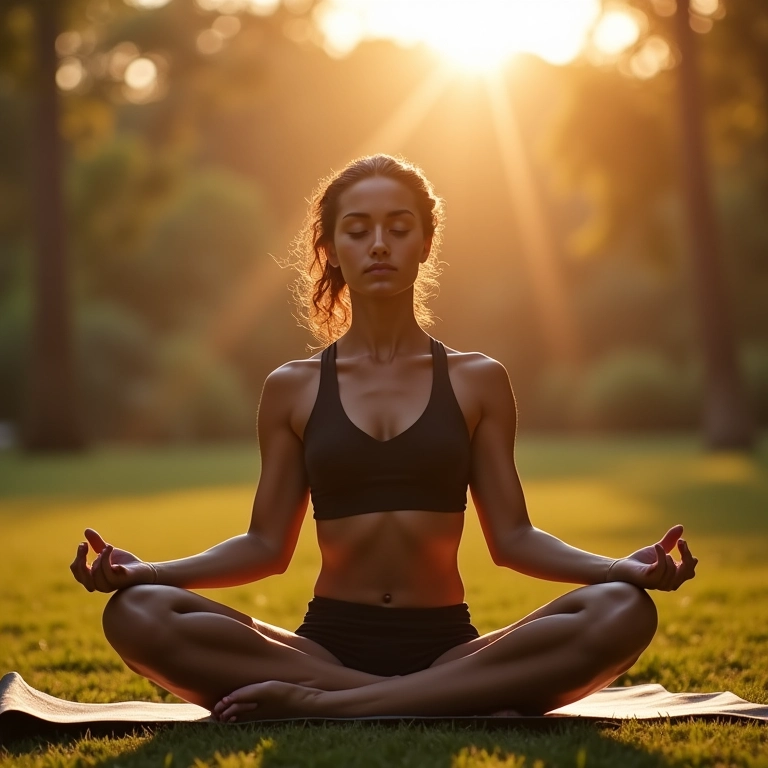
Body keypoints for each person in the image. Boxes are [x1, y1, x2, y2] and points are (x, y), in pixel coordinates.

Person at [70, 154, 698, 721]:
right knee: (137, 612)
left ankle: (331, 706)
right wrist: (147, 571)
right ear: (332, 247)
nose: (379, 244)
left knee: (623, 608)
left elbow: (512, 539)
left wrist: (619, 567)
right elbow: (266, 546)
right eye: (358, 229)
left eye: (399, 228)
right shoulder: (292, 387)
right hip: (322, 647)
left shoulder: (477, 380)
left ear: (425, 243)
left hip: (449, 648)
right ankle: (386, 697)